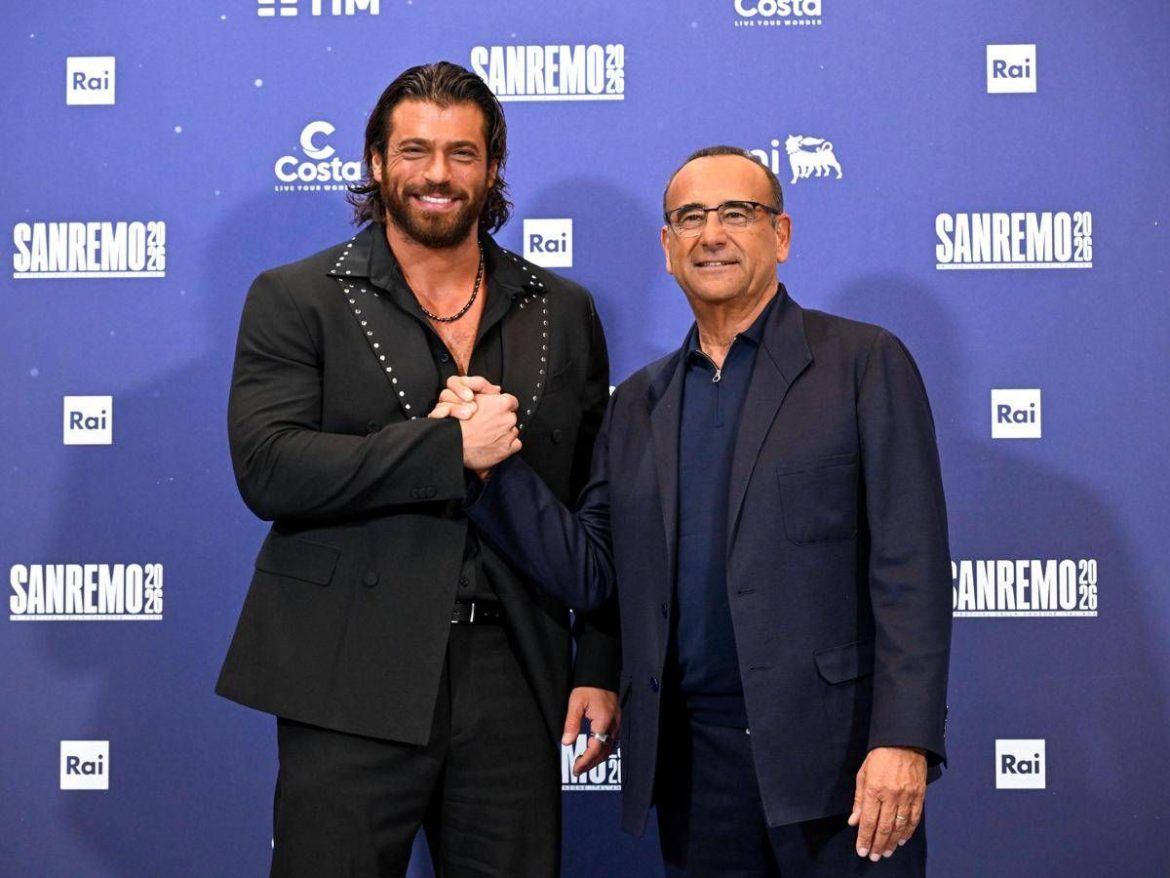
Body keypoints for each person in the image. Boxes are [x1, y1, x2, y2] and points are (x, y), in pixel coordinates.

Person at [443, 146, 952, 876]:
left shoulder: (863, 363)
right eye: (690, 218)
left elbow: (912, 569)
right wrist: (495, 470)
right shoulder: (637, 404)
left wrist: (902, 739)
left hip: (839, 764)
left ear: (780, 235)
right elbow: (600, 570)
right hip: (692, 769)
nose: (711, 234)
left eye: (737, 214)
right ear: (667, 246)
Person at [215, 61, 618, 878]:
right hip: (346, 671)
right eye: (415, 151)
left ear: (493, 168)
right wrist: (446, 449)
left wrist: (601, 662)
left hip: (516, 672)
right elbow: (268, 466)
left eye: (462, 153)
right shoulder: (297, 297)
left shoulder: (562, 309)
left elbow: (598, 505)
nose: (438, 174)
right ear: (375, 162)